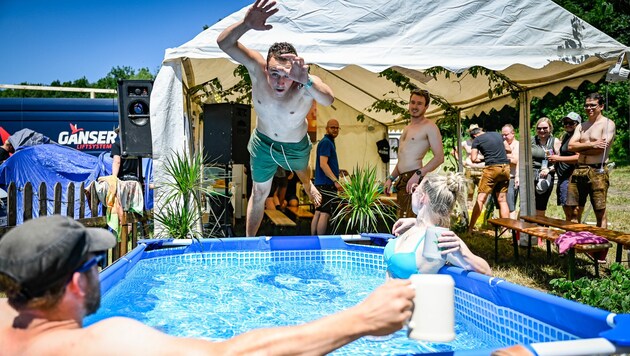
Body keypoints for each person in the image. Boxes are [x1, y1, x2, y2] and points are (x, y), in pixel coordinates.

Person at [0, 215, 415, 355]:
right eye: (94, 262)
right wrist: (361, 319)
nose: (97, 270)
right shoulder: (107, 343)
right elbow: (236, 353)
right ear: (75, 284)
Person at [217, 0, 334, 236]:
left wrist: (306, 80)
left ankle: (307, 184)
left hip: (295, 145)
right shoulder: (257, 69)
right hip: (263, 143)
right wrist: (245, 25)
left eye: (286, 75)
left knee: (302, 171)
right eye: (274, 73)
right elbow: (224, 43)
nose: (280, 81)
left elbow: (328, 99)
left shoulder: (304, 82)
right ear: (266, 67)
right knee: (259, 193)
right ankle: (250, 243)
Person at [384, 172, 492, 278]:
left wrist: (463, 252)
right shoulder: (415, 227)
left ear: (422, 197)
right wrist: (415, 222)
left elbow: (487, 273)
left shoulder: (437, 239)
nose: (412, 193)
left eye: (415, 189)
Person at [383, 89, 444, 219]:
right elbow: (402, 160)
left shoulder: (430, 127)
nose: (415, 106)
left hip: (414, 178)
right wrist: (391, 178)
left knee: (409, 222)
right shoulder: (407, 128)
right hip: (402, 180)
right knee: (401, 221)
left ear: (426, 107)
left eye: (419, 104)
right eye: (412, 102)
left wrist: (418, 174)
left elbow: (439, 157)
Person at [567, 93, 616, 228]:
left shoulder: (607, 124)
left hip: (597, 170)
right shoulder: (581, 126)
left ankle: (600, 247)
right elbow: (571, 146)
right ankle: (575, 244)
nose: (589, 108)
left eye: (593, 105)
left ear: (601, 106)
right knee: (574, 210)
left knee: (599, 211)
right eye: (587, 105)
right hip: (579, 169)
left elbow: (601, 149)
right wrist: (592, 144)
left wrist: (581, 148)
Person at [467, 127, 511, 233]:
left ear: (474, 136)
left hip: (492, 168)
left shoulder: (477, 140)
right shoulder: (497, 134)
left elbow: (473, 159)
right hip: (505, 168)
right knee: (502, 200)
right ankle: (506, 230)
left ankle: (470, 228)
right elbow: (508, 149)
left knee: (480, 199)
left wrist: (485, 157)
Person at [548, 112, 580, 221]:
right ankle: (568, 234)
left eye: (571, 123)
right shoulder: (566, 136)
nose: (567, 125)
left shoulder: (578, 138)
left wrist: (558, 158)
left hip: (571, 177)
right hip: (563, 177)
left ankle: (573, 235)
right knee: (566, 207)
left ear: (578, 124)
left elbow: (578, 158)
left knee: (573, 209)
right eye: (565, 123)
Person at [311, 119, 342, 235]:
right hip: (326, 184)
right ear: (326, 128)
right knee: (325, 213)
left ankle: (314, 240)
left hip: (321, 183)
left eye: (337, 128)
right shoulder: (326, 142)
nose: (335, 130)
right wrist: (335, 180)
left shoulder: (328, 142)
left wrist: (338, 171)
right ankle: (321, 243)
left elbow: (326, 164)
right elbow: (323, 164)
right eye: (332, 127)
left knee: (318, 212)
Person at [531, 117, 561, 217]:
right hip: (531, 175)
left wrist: (549, 169)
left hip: (546, 176)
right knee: (527, 204)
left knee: (540, 205)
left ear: (550, 128)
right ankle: (524, 230)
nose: (542, 131)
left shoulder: (555, 141)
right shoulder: (531, 140)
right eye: (539, 128)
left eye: (545, 128)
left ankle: (538, 228)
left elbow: (560, 161)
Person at [460, 124, 486, 202]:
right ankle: (469, 208)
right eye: (472, 131)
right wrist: (461, 162)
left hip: (482, 169)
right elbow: (454, 151)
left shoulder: (485, 142)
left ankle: (483, 211)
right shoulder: (465, 143)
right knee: (470, 192)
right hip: (470, 169)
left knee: (483, 192)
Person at [501, 124, 520, 219]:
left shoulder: (517, 145)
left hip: (512, 177)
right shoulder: (502, 144)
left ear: (513, 133)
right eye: (502, 135)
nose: (504, 137)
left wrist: (503, 158)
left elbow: (516, 160)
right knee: (502, 204)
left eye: (506, 135)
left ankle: (512, 228)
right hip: (502, 177)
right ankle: (504, 226)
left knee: (511, 205)